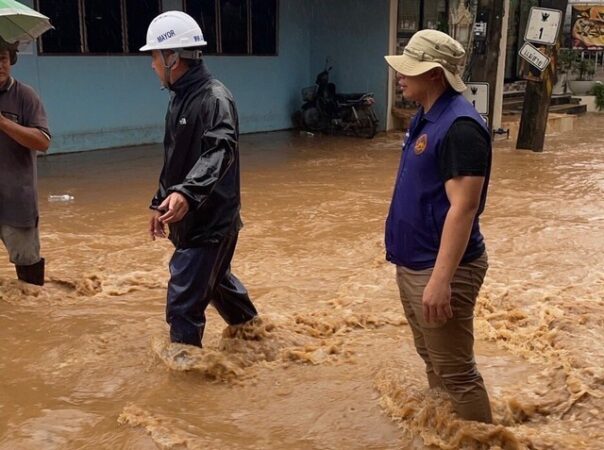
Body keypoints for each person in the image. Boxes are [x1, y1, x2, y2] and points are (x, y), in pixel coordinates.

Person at [384, 30, 493, 423]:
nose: (400, 76)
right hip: (416, 263)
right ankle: (448, 431)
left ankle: (480, 441)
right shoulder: (427, 116)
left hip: (441, 267)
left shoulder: (460, 127)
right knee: (433, 356)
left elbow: (463, 209)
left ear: (435, 74)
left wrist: (441, 279)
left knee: (458, 372)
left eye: (409, 70)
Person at [140, 11, 258, 347]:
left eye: (153, 57)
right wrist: (159, 202)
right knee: (218, 283)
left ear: (172, 57)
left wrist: (188, 194)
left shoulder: (212, 98)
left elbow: (219, 149)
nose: (151, 65)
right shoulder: (180, 97)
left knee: (182, 308)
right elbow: (176, 160)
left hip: (208, 222)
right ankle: (255, 336)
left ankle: (186, 383)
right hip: (197, 218)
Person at [0, 37, 51, 286]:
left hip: (17, 203)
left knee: (30, 279)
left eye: (2, 58)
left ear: (11, 60)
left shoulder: (25, 96)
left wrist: (3, 123)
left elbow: (42, 141)